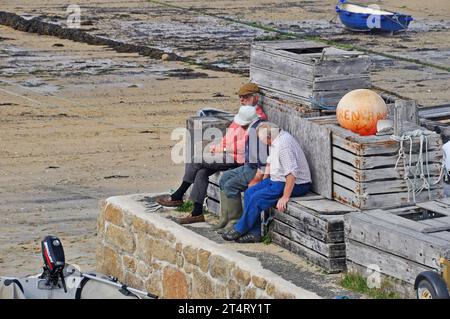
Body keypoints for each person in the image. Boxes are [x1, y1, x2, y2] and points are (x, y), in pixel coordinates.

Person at [156, 83, 267, 224]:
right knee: (201, 171)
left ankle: (179, 194)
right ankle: (196, 212)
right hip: (226, 152)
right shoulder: (243, 112)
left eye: (245, 97)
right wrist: (218, 145)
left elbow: (246, 144)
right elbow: (230, 134)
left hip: (236, 157)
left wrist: (222, 149)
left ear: (255, 98)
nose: (241, 100)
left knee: (196, 159)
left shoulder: (258, 118)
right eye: (240, 97)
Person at [222, 122, 312, 243]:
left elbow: (291, 173)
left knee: (258, 198)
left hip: (297, 184)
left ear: (269, 137)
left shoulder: (284, 145)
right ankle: (255, 233)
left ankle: (239, 229)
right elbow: (269, 162)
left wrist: (285, 197)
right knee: (250, 192)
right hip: (277, 179)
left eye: (264, 141)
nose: (263, 143)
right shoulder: (275, 138)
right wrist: (263, 182)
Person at [213, 118, 269, 233]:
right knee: (224, 178)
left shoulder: (256, 131)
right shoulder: (250, 129)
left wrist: (259, 178)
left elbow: (264, 161)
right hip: (249, 165)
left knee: (230, 185)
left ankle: (235, 221)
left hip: (255, 168)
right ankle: (225, 218)